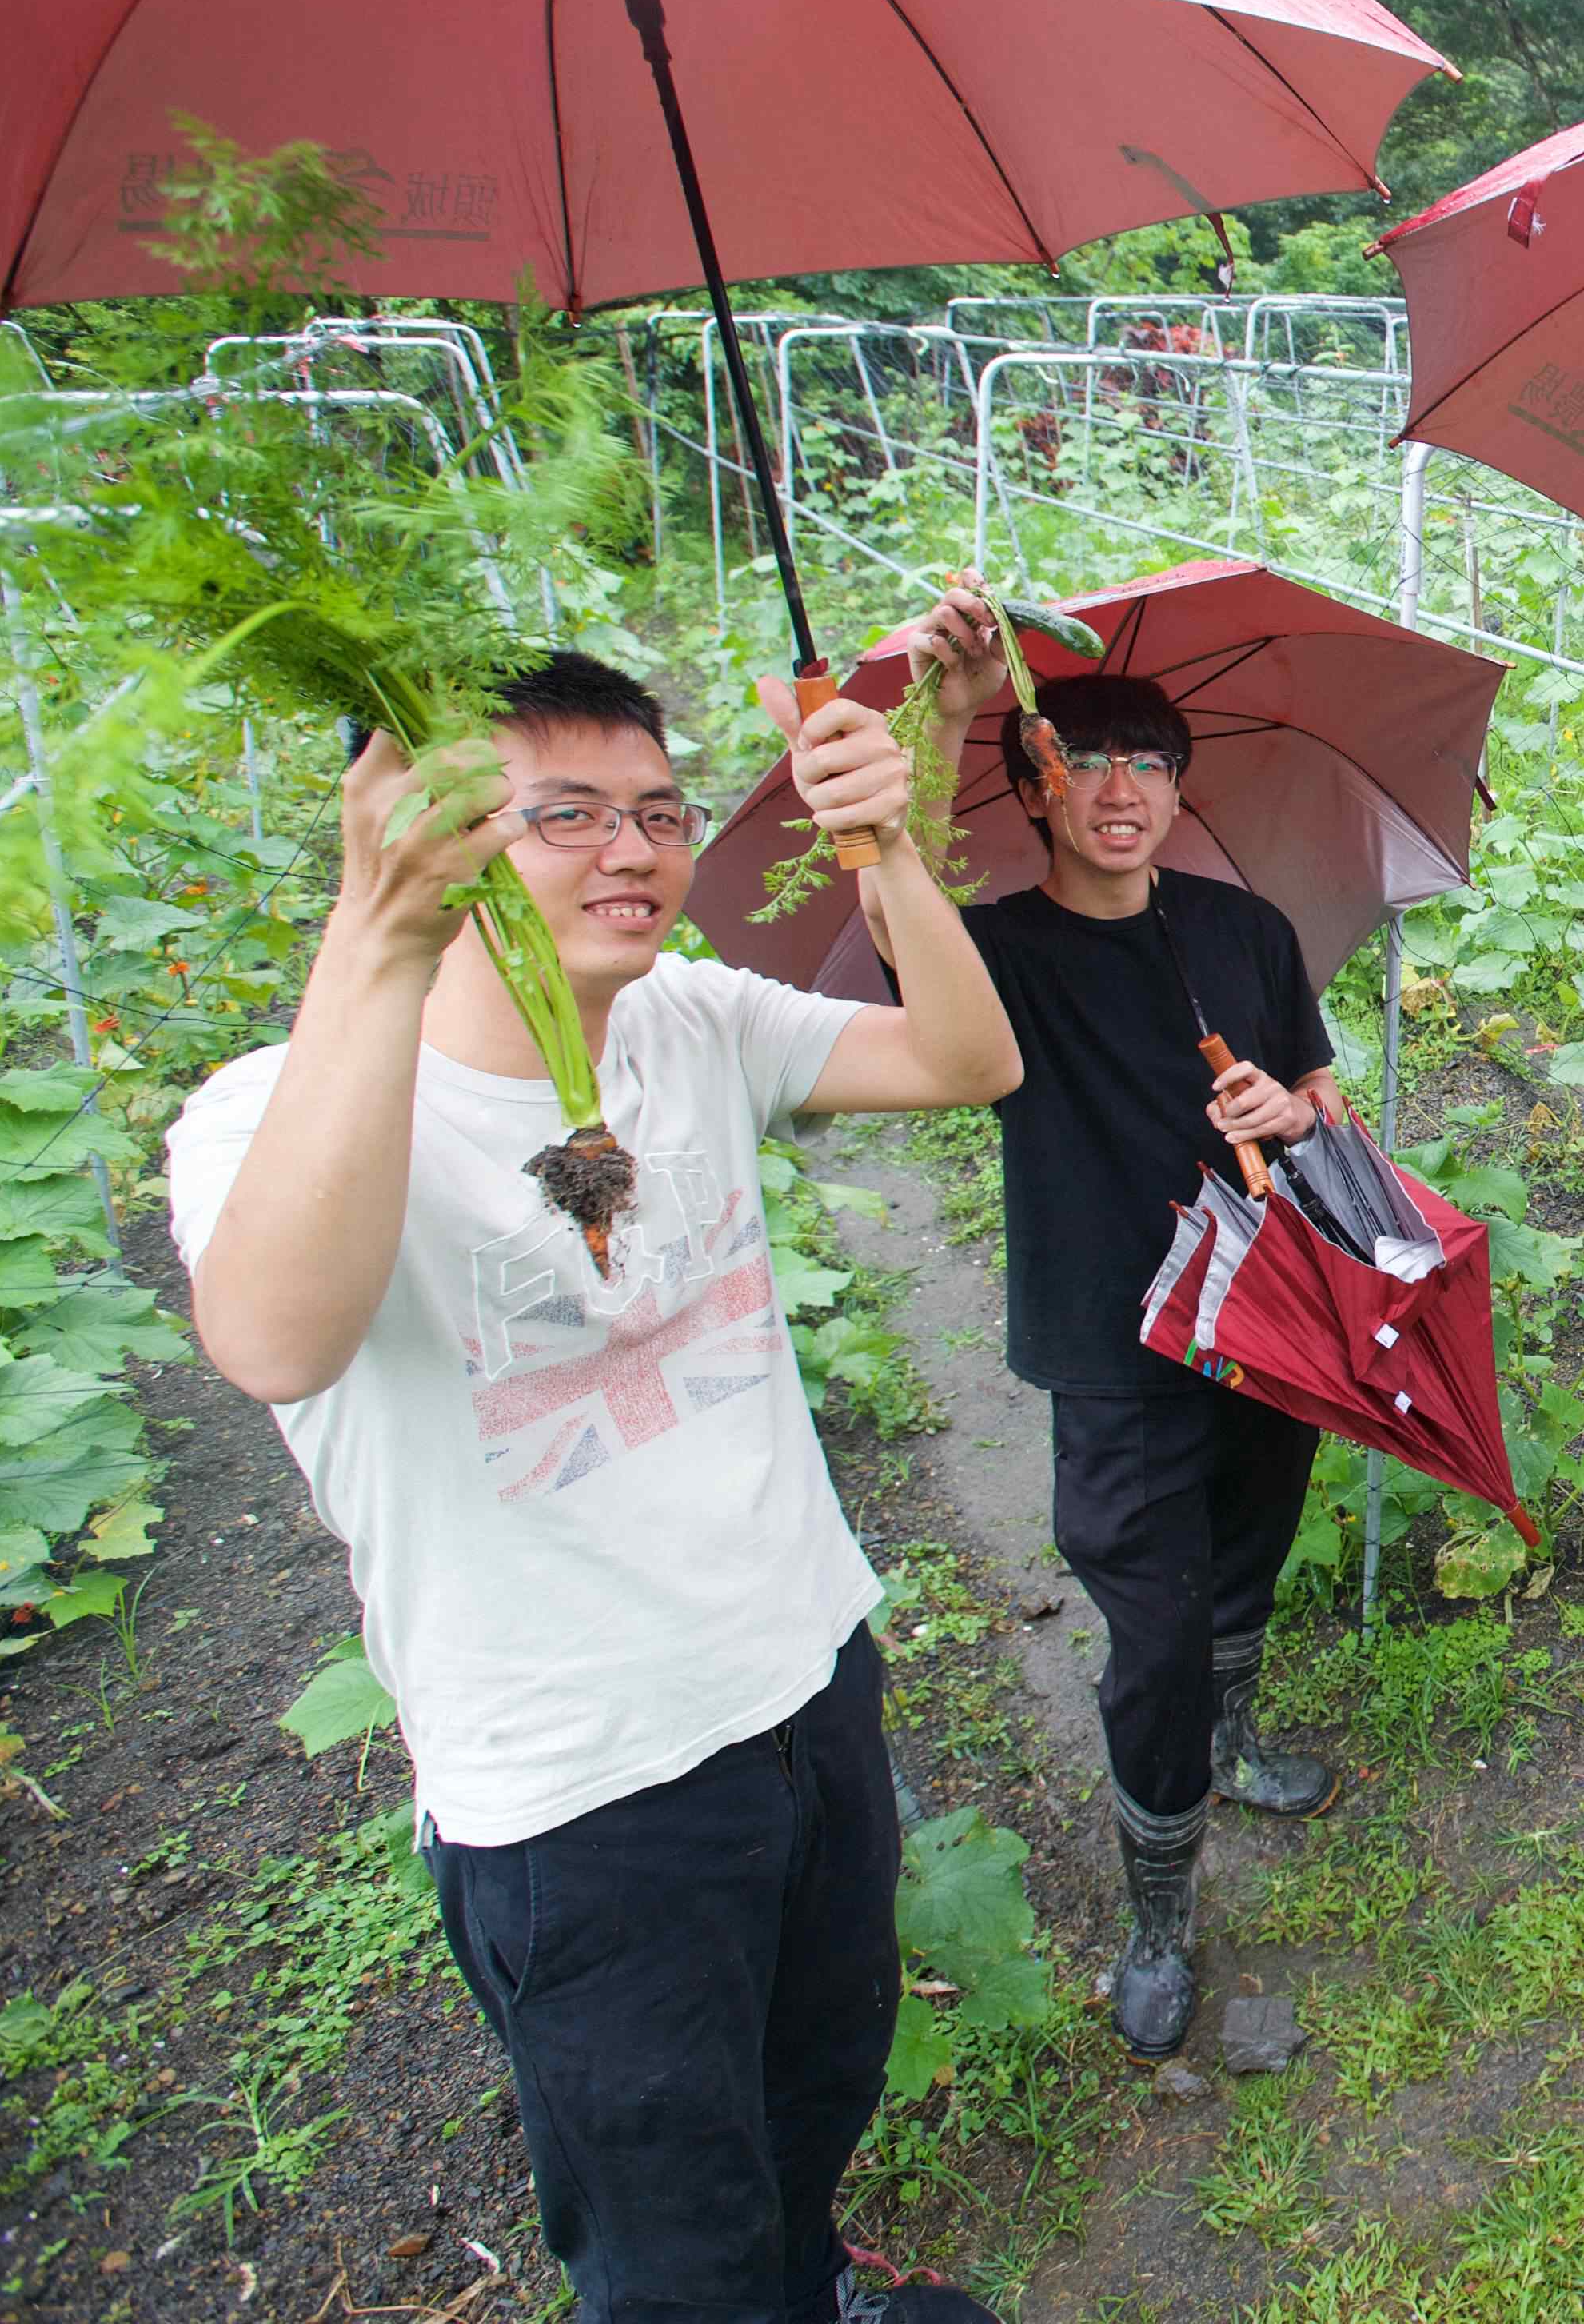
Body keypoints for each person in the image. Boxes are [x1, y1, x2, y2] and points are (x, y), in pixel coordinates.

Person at [168, 653, 1023, 2324]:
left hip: (802, 1679)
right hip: (584, 1786)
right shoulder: (281, 1113)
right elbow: (274, 1335)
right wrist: (377, 939)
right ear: (434, 831)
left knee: (815, 2081)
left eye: (654, 810)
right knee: (664, 2226)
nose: (625, 848)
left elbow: (964, 1060)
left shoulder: (694, 1021)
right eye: (557, 813)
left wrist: (890, 843)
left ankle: (813, 2279)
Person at [891, 588, 1351, 2062]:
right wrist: (939, 713)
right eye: (1083, 762)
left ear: (1178, 788)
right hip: (1114, 1341)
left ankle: (1229, 1740)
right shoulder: (995, 953)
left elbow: (1323, 1100)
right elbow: (899, 936)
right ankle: (1160, 1903)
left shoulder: (1243, 929)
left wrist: (1286, 1107)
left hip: (1267, 1317)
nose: (1118, 791)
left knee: (1243, 1565)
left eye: (1147, 765)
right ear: (1028, 782)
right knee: (1148, 1633)